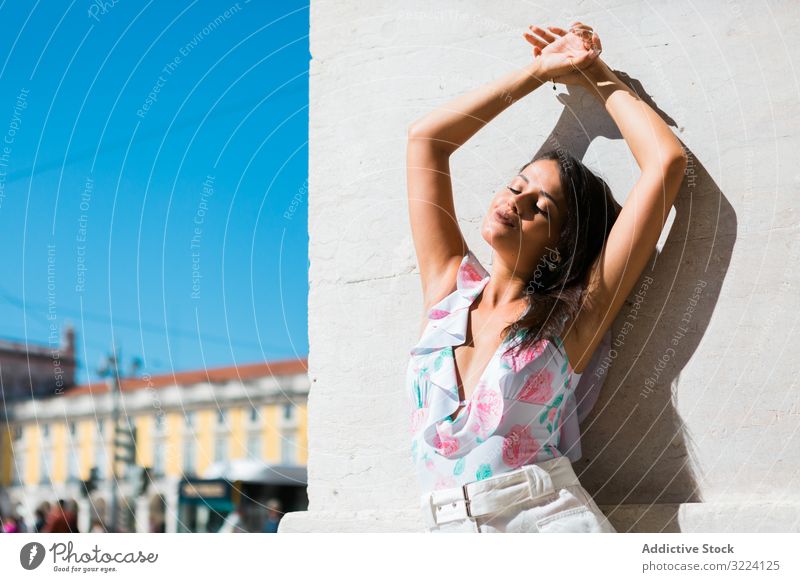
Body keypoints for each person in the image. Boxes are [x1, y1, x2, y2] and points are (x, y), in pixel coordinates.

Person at [406, 21, 686, 533]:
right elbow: (427, 141)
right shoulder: (449, 290)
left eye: (541, 205)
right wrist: (541, 70)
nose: (516, 199)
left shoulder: (574, 316)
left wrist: (596, 73)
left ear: (561, 243)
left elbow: (665, 164)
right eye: (516, 184)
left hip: (546, 528)